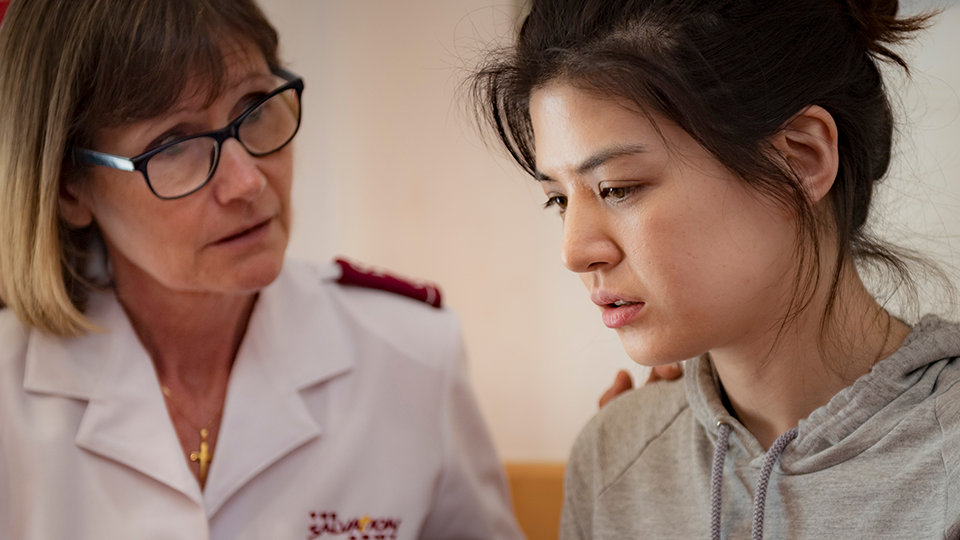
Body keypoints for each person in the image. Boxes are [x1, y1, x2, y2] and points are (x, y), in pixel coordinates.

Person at [0, 1, 524, 538]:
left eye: (253, 106)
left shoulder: (411, 354)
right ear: (69, 186)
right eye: (175, 144)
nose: (247, 182)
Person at [472, 0, 960, 538]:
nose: (574, 251)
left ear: (801, 160)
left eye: (617, 188)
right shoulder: (615, 457)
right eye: (559, 200)